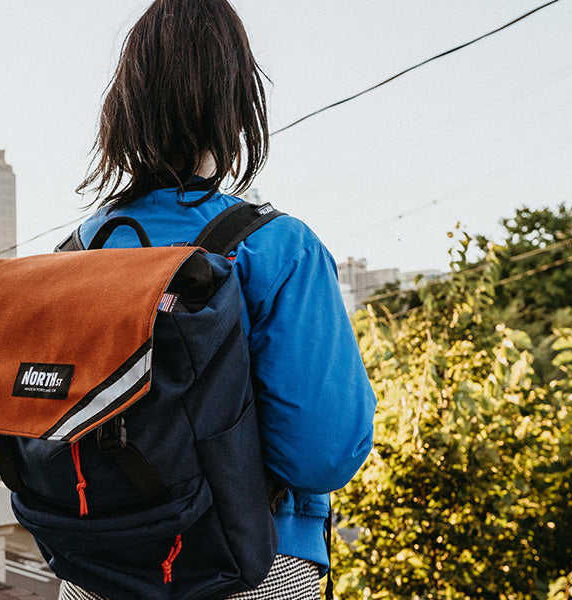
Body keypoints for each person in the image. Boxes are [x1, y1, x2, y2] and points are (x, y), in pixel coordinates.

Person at [59, 1, 377, 598]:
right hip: (247, 564)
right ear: (236, 103)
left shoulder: (75, 254)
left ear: (125, 105)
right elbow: (324, 454)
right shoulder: (278, 248)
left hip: (95, 566)